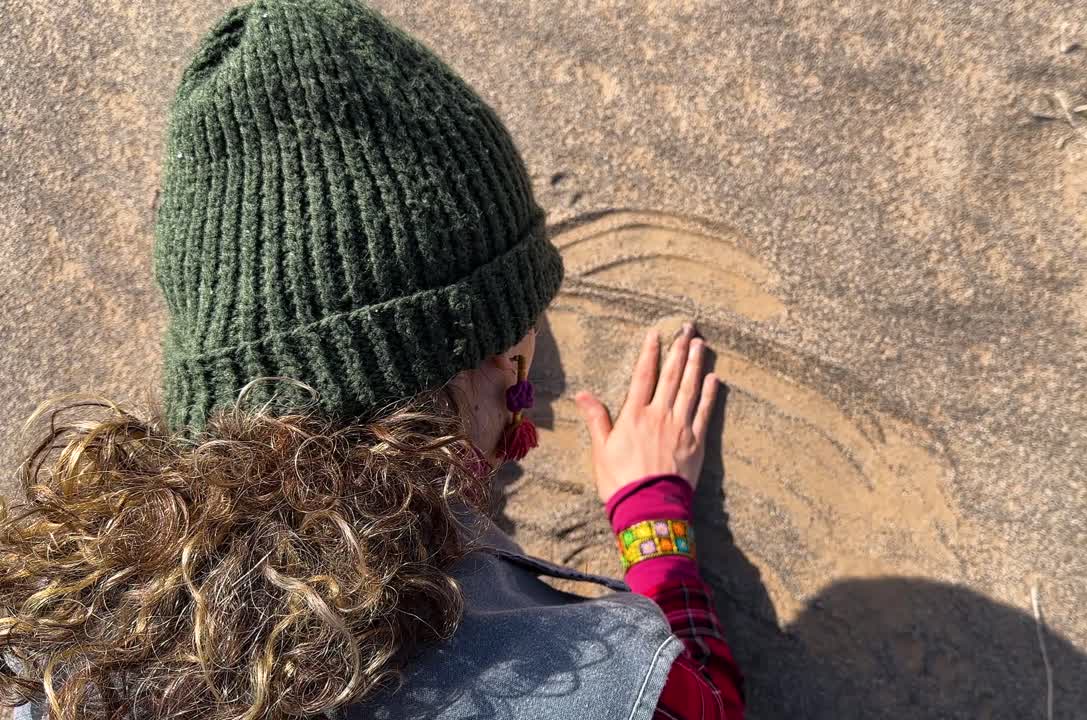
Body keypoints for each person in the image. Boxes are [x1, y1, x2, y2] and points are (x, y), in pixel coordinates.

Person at [0, 1, 743, 718]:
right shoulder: (608, 683)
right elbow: (706, 706)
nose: (532, 389)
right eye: (517, 345)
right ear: (483, 362)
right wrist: (655, 521)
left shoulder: (53, 661)